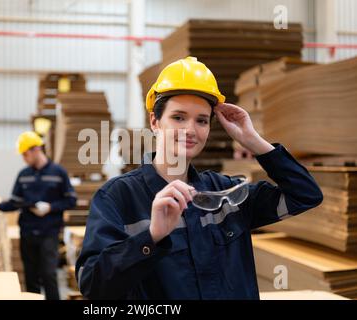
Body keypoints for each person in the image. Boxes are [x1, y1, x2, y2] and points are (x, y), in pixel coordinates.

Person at [75, 57, 323, 299]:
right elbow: (93, 287)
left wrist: (252, 140)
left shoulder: (227, 194)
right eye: (178, 117)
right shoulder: (118, 198)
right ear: (155, 122)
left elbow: (306, 194)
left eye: (202, 121)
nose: (191, 130)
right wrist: (151, 237)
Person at [0, 131, 77, 300]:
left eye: (25, 154)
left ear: (36, 149)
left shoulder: (58, 173)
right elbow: (15, 202)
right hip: (27, 233)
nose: (24, 158)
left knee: (49, 275)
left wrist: (50, 207)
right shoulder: (23, 175)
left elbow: (71, 200)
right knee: (31, 278)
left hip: (49, 233)